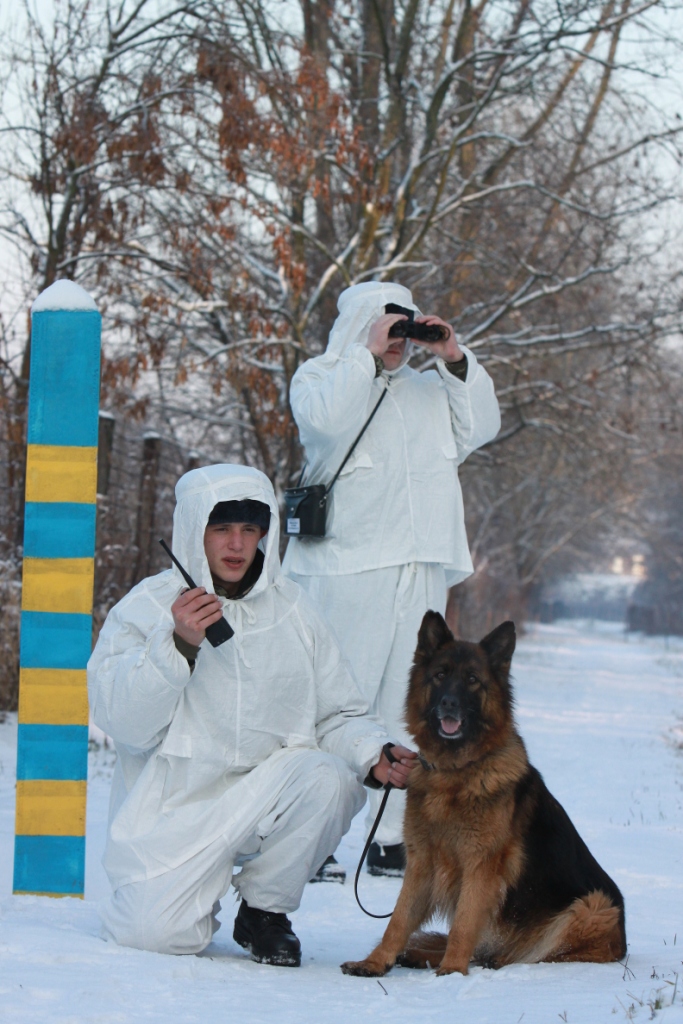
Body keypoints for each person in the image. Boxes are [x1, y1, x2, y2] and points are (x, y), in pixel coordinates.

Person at [87, 463, 414, 967]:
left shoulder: (294, 610)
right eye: (221, 528)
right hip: (176, 811)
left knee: (331, 778)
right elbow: (124, 725)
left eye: (249, 529)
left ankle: (265, 910)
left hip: (267, 792)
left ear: (266, 532)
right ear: (195, 530)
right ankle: (190, 888)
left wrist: (374, 753)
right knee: (153, 936)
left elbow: (336, 714)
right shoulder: (146, 608)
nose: (237, 545)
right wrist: (176, 647)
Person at [284, 281, 501, 878]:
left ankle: (390, 837)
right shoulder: (323, 376)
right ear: (360, 324)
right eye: (389, 327)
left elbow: (481, 425)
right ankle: (312, 831)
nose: (401, 340)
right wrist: (364, 353)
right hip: (345, 567)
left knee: (406, 703)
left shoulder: (429, 391)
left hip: (421, 565)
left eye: (408, 329)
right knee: (334, 697)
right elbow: (325, 424)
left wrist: (453, 357)